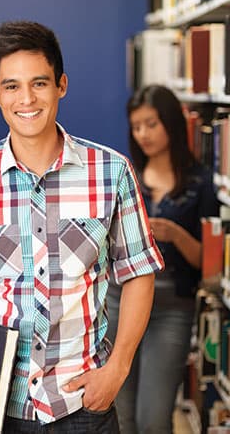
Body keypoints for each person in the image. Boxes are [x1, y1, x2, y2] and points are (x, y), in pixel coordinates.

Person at [0, 20, 164, 434]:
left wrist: (118, 368)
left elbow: (140, 272)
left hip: (83, 402)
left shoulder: (111, 172)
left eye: (39, 83)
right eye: (12, 86)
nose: (27, 99)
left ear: (61, 85)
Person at [106, 84, 220, 434]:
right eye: (136, 126)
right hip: (118, 301)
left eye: (152, 124)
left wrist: (174, 234)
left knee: (153, 419)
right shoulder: (125, 175)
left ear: (171, 123)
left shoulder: (200, 183)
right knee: (118, 415)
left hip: (172, 308)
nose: (144, 134)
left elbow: (209, 262)